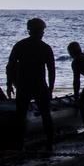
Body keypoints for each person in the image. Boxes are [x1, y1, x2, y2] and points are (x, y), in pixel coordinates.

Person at [7, 18, 56, 151]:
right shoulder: (45, 48)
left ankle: (20, 144)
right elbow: (51, 71)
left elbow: (10, 66)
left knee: (21, 116)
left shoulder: (20, 45)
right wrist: (50, 88)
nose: (43, 33)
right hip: (39, 85)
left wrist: (9, 84)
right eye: (42, 30)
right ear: (37, 31)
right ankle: (49, 144)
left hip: (24, 85)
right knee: (46, 115)